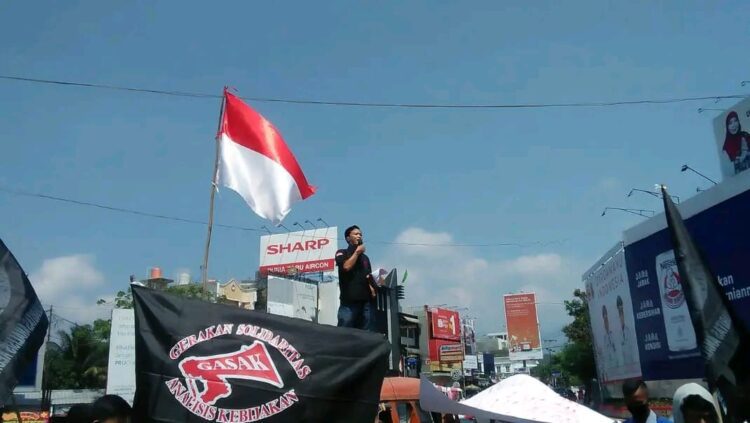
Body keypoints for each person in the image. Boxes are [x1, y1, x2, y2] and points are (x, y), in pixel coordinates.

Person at [336, 225, 377, 330]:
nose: (359, 236)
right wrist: (357, 253)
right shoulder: (342, 253)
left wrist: (373, 287)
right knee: (345, 329)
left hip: (366, 302)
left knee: (367, 331)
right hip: (349, 301)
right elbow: (346, 267)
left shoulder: (365, 258)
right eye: (356, 234)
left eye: (360, 234)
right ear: (348, 238)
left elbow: (368, 275)